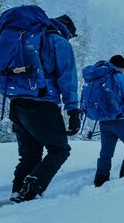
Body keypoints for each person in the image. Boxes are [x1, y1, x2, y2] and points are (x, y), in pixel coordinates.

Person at [8, 13, 81, 203]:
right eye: (72, 36)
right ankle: (30, 191)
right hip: (42, 104)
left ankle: (17, 193)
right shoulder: (59, 42)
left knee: (29, 155)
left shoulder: (24, 39)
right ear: (67, 30)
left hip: (17, 103)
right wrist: (73, 111)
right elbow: (67, 79)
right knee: (59, 150)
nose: (70, 39)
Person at [92, 55, 124, 187]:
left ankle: (100, 179)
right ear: (120, 67)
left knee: (106, 152)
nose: (123, 72)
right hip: (121, 120)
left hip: (104, 121)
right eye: (123, 69)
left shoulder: (100, 78)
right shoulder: (120, 77)